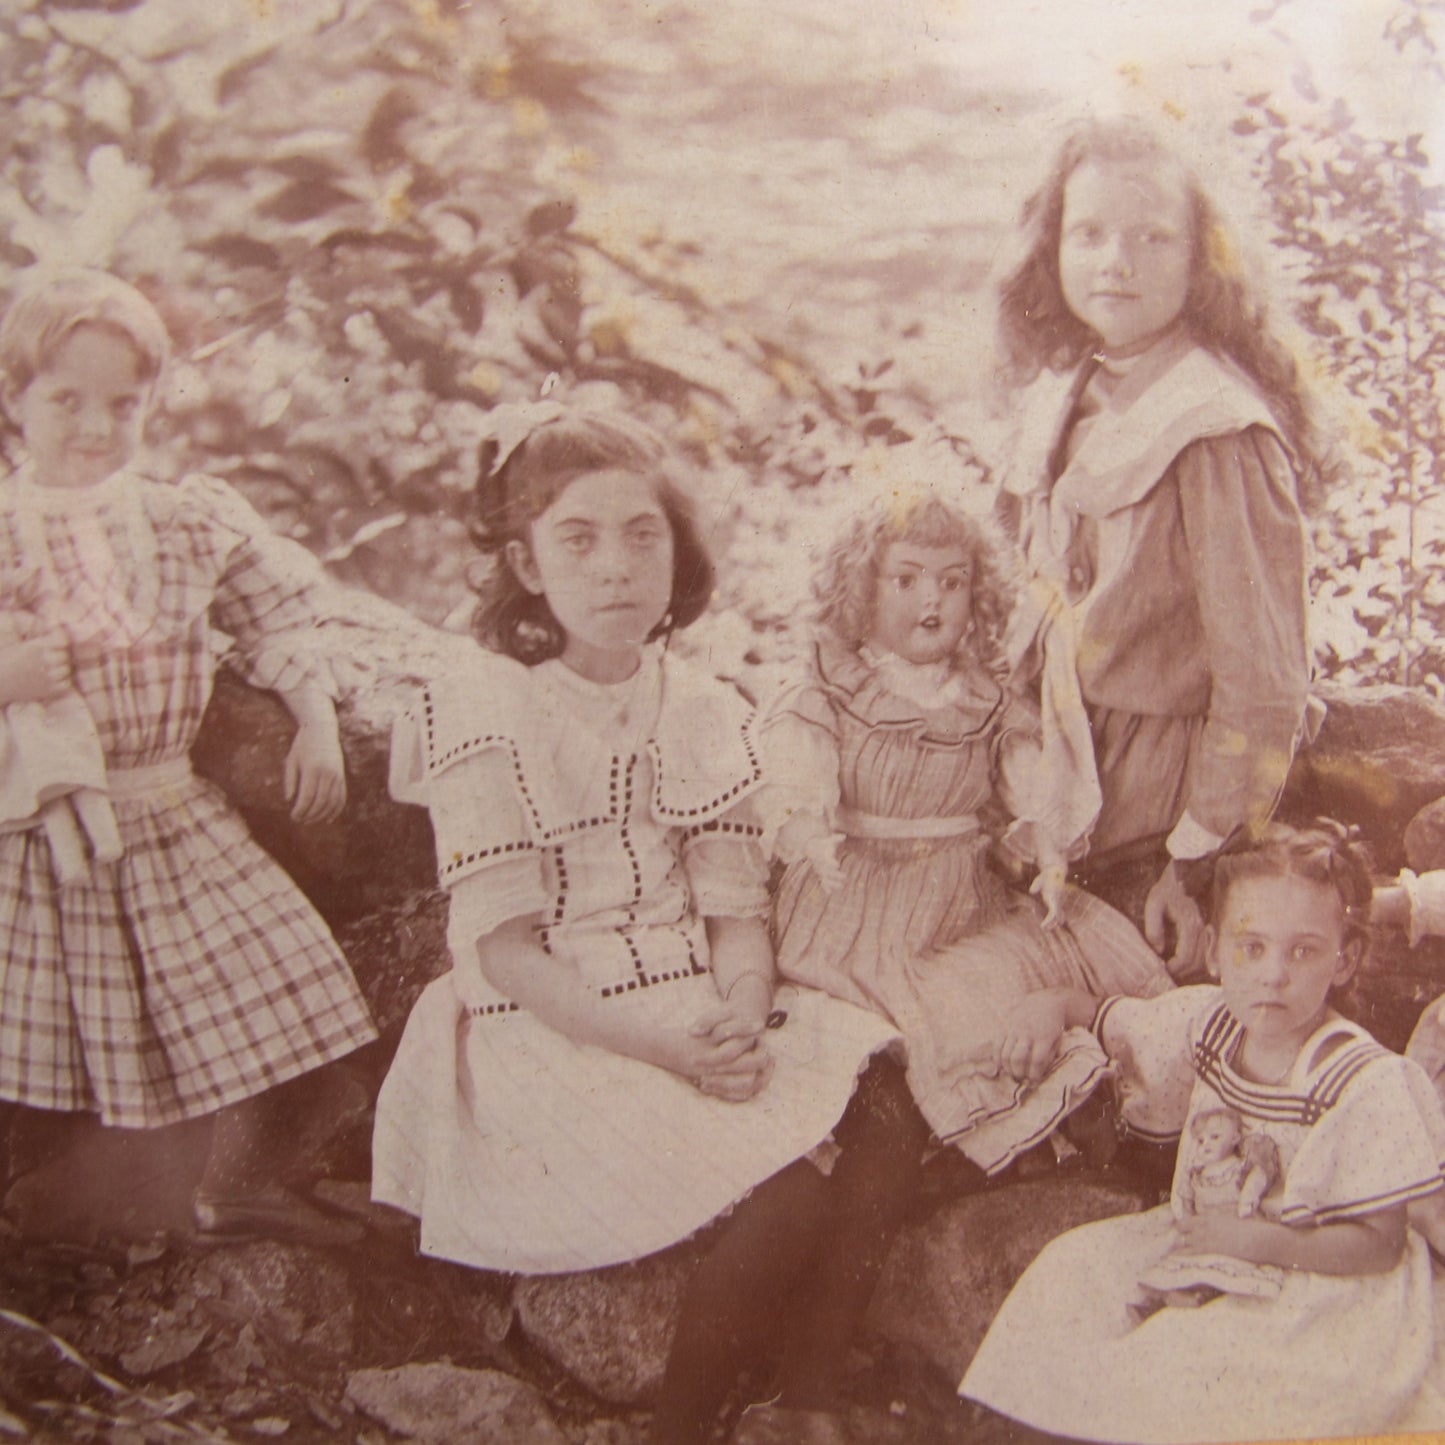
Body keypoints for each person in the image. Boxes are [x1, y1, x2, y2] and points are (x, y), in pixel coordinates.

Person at [371, 407, 910, 1445]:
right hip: (553, 1026)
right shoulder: (486, 705)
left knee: (887, 1104)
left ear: (677, 546)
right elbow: (508, 954)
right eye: (578, 539)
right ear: (526, 564)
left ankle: (805, 1400)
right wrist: (667, 1046)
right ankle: (679, 1426)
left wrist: (742, 1012)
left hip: (691, 995)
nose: (615, 565)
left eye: (641, 533)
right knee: (792, 1184)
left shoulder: (701, 705)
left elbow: (732, 905)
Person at [0, 267, 376, 1245]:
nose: (94, 426)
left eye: (122, 403)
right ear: (14, 398)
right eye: (66, 400)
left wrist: (316, 721)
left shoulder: (182, 519)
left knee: (296, 982)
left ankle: (240, 1179)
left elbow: (280, 612)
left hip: (166, 809)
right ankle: (46, 1211)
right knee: (32, 1033)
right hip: (38, 827)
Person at [961, 821, 1445, 1444]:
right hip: (1215, 1237)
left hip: (1322, 1271)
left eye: (1303, 951)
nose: (1273, 975)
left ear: (1345, 960)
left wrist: (1256, 1240)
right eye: (1252, 947)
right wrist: (1051, 1004)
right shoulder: (1210, 1023)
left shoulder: (1362, 1078)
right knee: (1071, 1270)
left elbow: (1378, 1245)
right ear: (1214, 950)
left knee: (1213, 1359)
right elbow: (1112, 1019)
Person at [760, 474, 1172, 1177]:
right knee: (920, 1012)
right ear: (861, 586)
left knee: (996, 980)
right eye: (907, 579)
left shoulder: (982, 699)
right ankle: (978, 1135)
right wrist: (806, 826)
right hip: (857, 901)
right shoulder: (833, 686)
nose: (932, 600)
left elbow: (1027, 788)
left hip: (959, 897)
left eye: (952, 582)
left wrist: (1044, 847)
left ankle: (1051, 1127)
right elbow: (797, 773)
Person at [994, 116, 1322, 971]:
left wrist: (1198, 860)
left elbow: (1262, 682)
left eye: (1152, 236)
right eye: (1089, 233)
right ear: (1052, 245)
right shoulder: (1064, 392)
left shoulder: (1215, 430)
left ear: (1199, 258)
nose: (1116, 261)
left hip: (1155, 816)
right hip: (1054, 780)